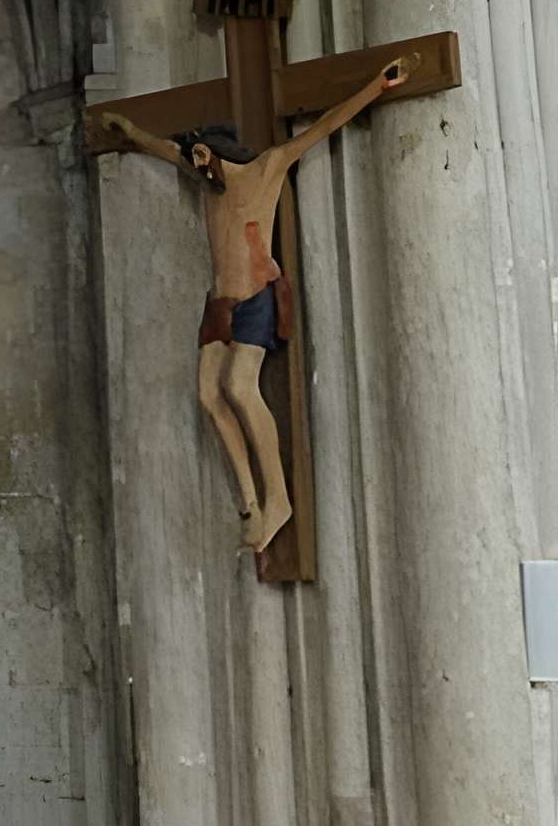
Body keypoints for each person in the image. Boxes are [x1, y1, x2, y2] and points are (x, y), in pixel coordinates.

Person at [98, 54, 412, 557]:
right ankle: (249, 500)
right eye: (194, 162)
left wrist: (377, 86)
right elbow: (162, 149)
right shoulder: (208, 179)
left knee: (241, 389)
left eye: (201, 159)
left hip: (255, 298)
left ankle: (279, 501)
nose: (197, 169)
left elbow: (324, 126)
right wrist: (129, 128)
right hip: (218, 303)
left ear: (215, 151)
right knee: (208, 394)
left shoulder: (266, 168)